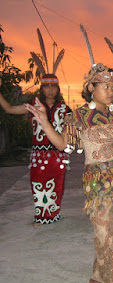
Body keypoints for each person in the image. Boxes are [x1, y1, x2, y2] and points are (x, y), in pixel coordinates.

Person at [25, 26, 113, 283]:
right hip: (98, 185)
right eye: (106, 86)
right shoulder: (79, 117)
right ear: (91, 88)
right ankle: (106, 278)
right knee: (104, 232)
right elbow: (63, 144)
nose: (111, 90)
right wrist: (43, 120)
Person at [0, 29, 70, 225]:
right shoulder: (32, 106)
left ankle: (53, 214)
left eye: (53, 86)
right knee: (38, 185)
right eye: (46, 86)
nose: (50, 89)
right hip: (38, 155)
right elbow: (8, 109)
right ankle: (41, 215)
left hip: (58, 155)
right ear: (42, 88)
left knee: (57, 185)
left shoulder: (65, 109)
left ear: (57, 88)